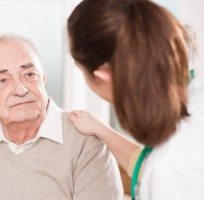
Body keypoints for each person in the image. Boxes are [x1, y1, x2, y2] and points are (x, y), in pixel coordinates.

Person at [0, 34, 123, 200]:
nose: (21, 90)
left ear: (43, 76)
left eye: (29, 75)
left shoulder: (86, 144)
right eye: (2, 80)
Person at [67, 0, 204, 200]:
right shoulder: (194, 96)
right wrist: (100, 129)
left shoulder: (171, 168)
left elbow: (164, 168)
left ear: (104, 76)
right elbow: (150, 161)